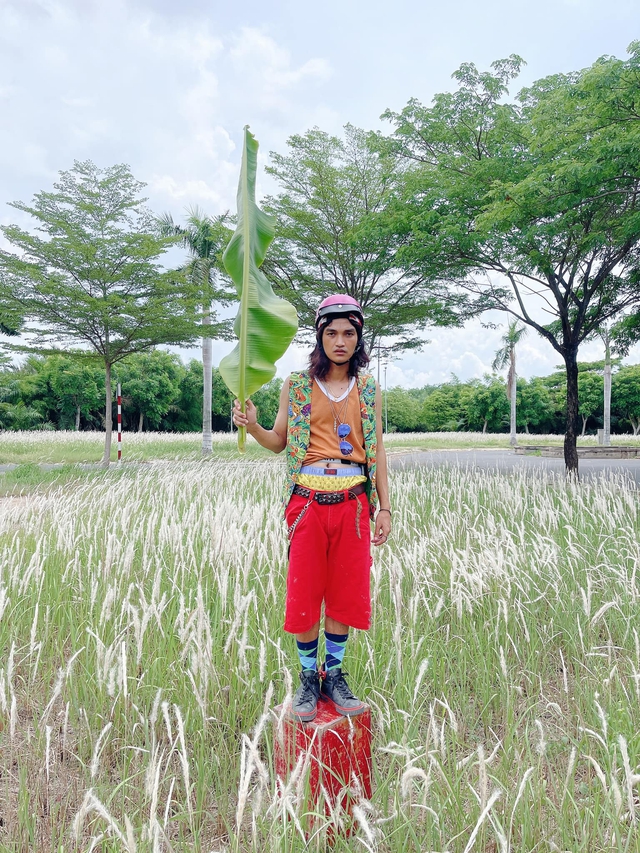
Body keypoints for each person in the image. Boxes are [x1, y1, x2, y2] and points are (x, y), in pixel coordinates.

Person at [232, 294, 391, 722]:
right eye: (332, 333)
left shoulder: (370, 390)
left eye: (349, 333)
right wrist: (254, 424)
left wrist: (386, 508)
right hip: (306, 503)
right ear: (320, 337)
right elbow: (279, 441)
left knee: (343, 594)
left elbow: (377, 450)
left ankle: (333, 676)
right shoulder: (298, 386)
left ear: (359, 339)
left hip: (354, 503)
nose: (340, 341)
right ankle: (307, 678)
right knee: (305, 592)